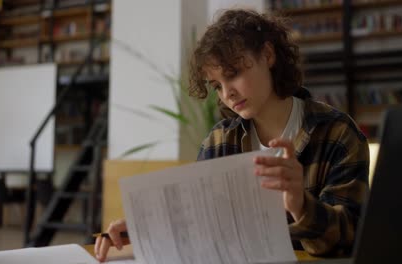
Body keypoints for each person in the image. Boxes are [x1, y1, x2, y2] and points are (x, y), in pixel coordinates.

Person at [94, 8, 369, 261]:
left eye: (233, 73)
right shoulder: (219, 141)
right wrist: (144, 229)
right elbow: (199, 223)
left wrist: (300, 205)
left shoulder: (338, 134)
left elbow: (349, 240)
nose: (227, 94)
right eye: (216, 85)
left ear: (268, 55)